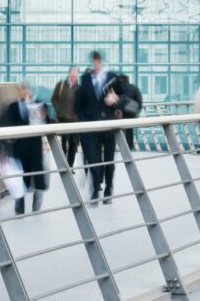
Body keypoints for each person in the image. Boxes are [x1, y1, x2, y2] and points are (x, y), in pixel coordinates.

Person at [74, 52, 119, 205]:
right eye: (92, 62)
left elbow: (122, 99)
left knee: (108, 160)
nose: (95, 64)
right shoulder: (85, 79)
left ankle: (109, 188)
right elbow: (78, 104)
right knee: (93, 159)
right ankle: (96, 189)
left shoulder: (112, 77)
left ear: (100, 62)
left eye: (97, 61)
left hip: (108, 126)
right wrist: (83, 121)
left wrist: (114, 101)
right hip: (91, 126)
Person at [0, 83, 49, 215]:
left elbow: (47, 122)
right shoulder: (12, 107)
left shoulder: (39, 104)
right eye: (20, 90)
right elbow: (3, 124)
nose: (23, 92)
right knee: (21, 177)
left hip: (35, 146)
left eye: (25, 89)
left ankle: (37, 196)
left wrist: (44, 116)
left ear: (29, 90)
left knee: (37, 173)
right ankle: (19, 203)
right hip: (19, 147)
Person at [51, 67, 80, 167]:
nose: (73, 77)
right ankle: (63, 165)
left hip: (75, 120)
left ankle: (70, 166)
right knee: (64, 143)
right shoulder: (61, 85)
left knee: (73, 144)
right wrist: (59, 108)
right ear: (69, 74)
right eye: (72, 75)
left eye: (75, 76)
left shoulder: (79, 88)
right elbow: (54, 99)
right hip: (63, 118)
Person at [112, 74, 143, 150]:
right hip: (130, 114)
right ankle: (129, 148)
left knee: (115, 130)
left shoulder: (115, 88)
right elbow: (139, 103)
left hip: (118, 114)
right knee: (129, 131)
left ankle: (116, 147)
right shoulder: (134, 88)